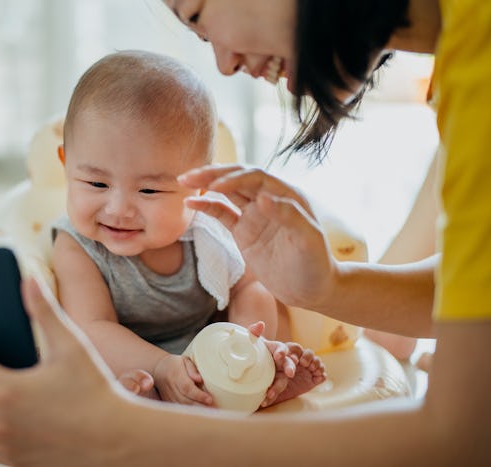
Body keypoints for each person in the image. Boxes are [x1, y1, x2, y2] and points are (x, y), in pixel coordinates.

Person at [0, 0, 491, 465]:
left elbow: (473, 437)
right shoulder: (472, 49)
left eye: (200, 16)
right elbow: (485, 293)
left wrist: (117, 436)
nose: (228, 64)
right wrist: (329, 286)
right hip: (153, 365)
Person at [50, 49, 324, 407]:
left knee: (269, 306)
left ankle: (261, 381)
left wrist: (245, 345)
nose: (118, 210)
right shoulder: (77, 245)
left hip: (211, 352)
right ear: (66, 164)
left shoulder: (209, 228)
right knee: (111, 381)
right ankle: (155, 398)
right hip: (136, 361)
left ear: (200, 186)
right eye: (96, 184)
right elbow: (93, 329)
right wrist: (163, 367)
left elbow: (250, 286)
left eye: (149, 190)